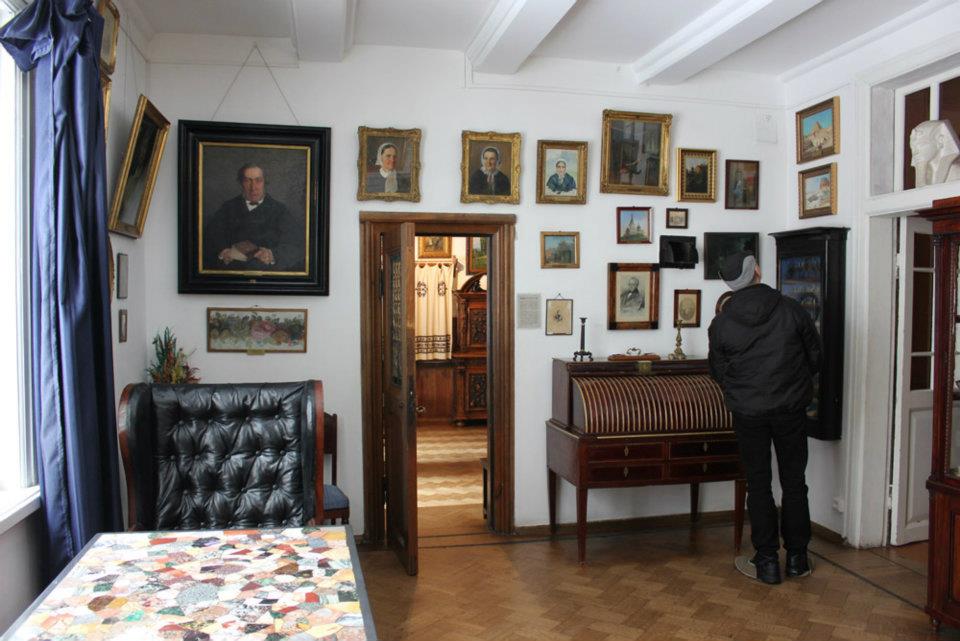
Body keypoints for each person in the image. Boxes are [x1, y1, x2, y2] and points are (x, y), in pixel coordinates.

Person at [708, 251, 821, 585]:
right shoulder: (792, 309)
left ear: (729, 283)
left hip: (748, 413)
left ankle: (768, 562)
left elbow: (718, 371)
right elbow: (815, 358)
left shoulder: (722, 323)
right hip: (791, 410)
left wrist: (743, 391)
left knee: (758, 484)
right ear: (757, 270)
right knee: (794, 481)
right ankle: (798, 559)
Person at [203, 163, 304, 272]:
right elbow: (210, 237)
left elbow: (295, 244)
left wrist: (272, 255)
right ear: (241, 183)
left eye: (258, 180)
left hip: (267, 272)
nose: (253, 187)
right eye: (247, 181)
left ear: (265, 182)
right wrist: (223, 251)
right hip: (233, 271)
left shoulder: (280, 210)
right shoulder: (228, 207)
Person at [910, 119, 960, 187]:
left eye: (921, 145)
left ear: (940, 140)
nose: (915, 151)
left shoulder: (956, 172)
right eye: (913, 147)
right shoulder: (930, 173)